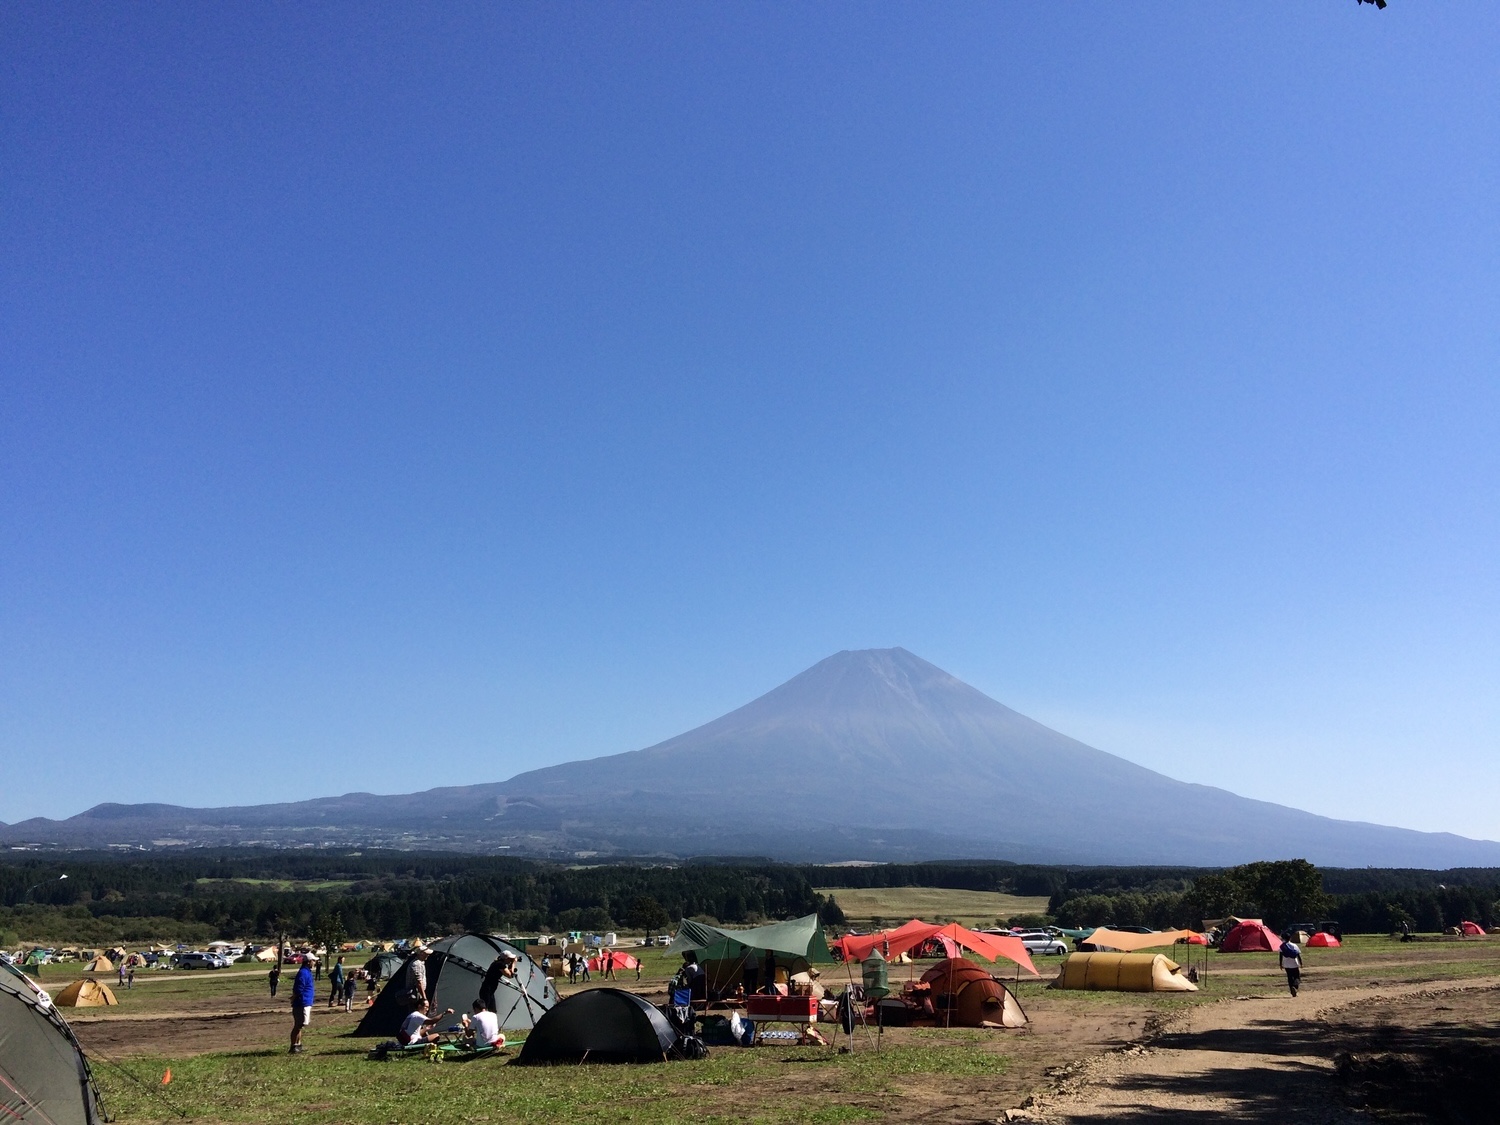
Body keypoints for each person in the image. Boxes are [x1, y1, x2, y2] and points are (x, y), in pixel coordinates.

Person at [289, 957, 315, 1054]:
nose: (315, 962)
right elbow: (298, 988)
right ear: (309, 962)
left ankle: (298, 1044)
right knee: (298, 1025)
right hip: (301, 1002)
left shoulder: (307, 972)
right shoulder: (303, 973)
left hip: (306, 1002)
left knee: (300, 1025)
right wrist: (294, 997)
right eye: (314, 961)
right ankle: (293, 1046)